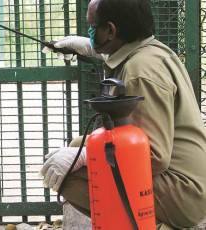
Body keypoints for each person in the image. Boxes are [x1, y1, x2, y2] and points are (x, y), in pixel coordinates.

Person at [40, 0, 206, 229]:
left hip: (184, 194)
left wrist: (85, 156)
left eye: (92, 27)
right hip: (190, 181)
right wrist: (89, 47)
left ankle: (148, 224)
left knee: (68, 175)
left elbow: (154, 156)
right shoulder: (152, 51)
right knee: (78, 144)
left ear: (110, 30)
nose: (89, 32)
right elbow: (123, 57)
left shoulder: (140, 72)